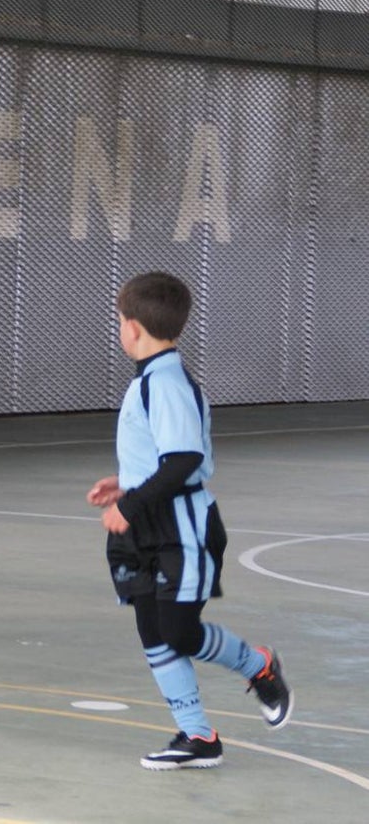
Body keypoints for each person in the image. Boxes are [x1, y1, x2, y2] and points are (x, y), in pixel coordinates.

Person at [86, 272, 293, 770]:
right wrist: (127, 482)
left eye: (120, 320)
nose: (119, 328)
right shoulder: (151, 379)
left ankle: (258, 665)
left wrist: (129, 506)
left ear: (132, 327)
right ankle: (198, 736)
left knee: (178, 632)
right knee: (153, 631)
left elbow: (182, 460)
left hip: (180, 529)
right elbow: (163, 455)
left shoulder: (167, 382)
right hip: (149, 525)